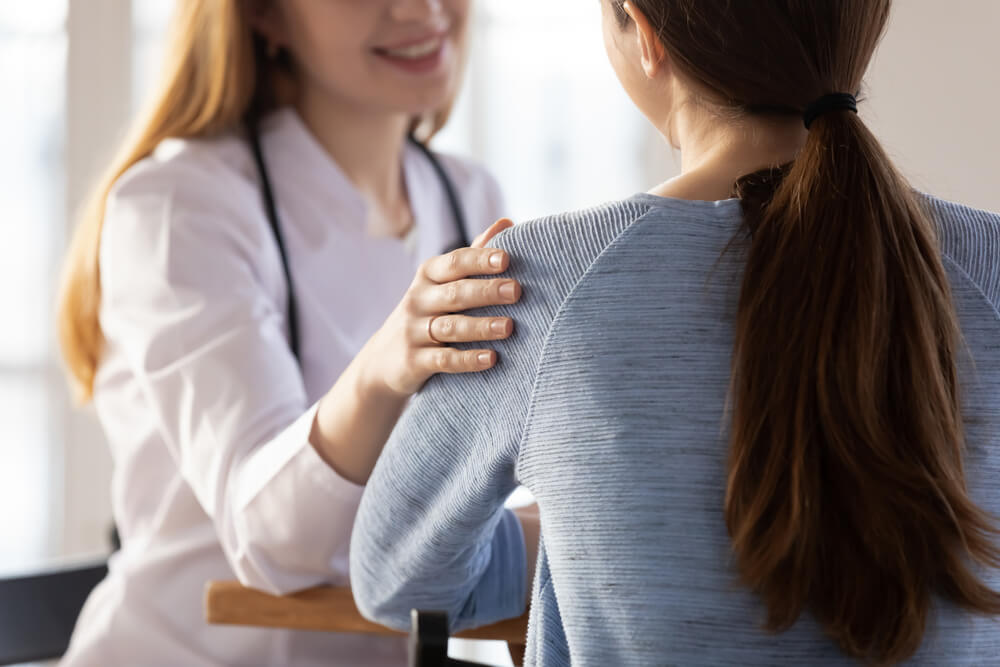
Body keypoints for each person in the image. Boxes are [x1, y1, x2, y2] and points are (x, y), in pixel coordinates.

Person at [349, 0, 1000, 664]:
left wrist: (592, 543)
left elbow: (394, 575)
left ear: (645, 33)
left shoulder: (539, 285)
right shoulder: (990, 265)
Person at [56, 1, 527, 665]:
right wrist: (382, 369)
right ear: (264, 17)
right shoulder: (180, 206)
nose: (420, 9)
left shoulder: (467, 196)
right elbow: (271, 547)